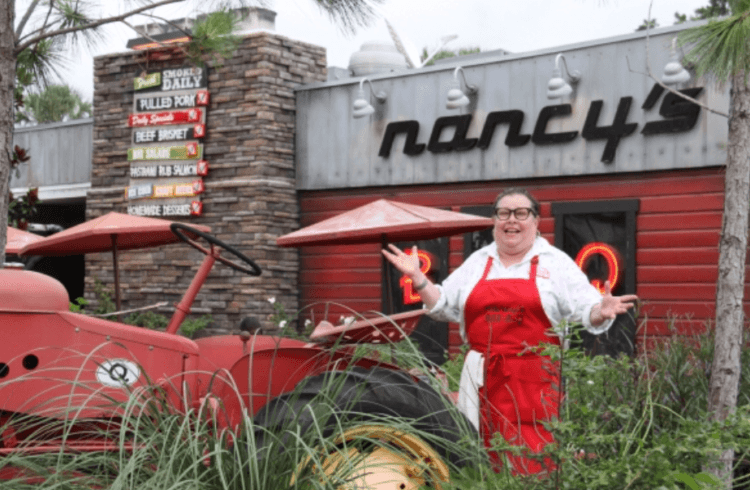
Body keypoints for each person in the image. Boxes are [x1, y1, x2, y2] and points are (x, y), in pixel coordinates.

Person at [381, 187, 638, 474]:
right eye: (503, 213)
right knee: (477, 454)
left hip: (535, 379)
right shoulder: (479, 262)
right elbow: (442, 304)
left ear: (536, 221)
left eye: (521, 213)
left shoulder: (556, 263)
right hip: (482, 377)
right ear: (494, 220)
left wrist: (600, 311)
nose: (511, 220)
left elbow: (586, 309)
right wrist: (418, 278)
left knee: (533, 455)